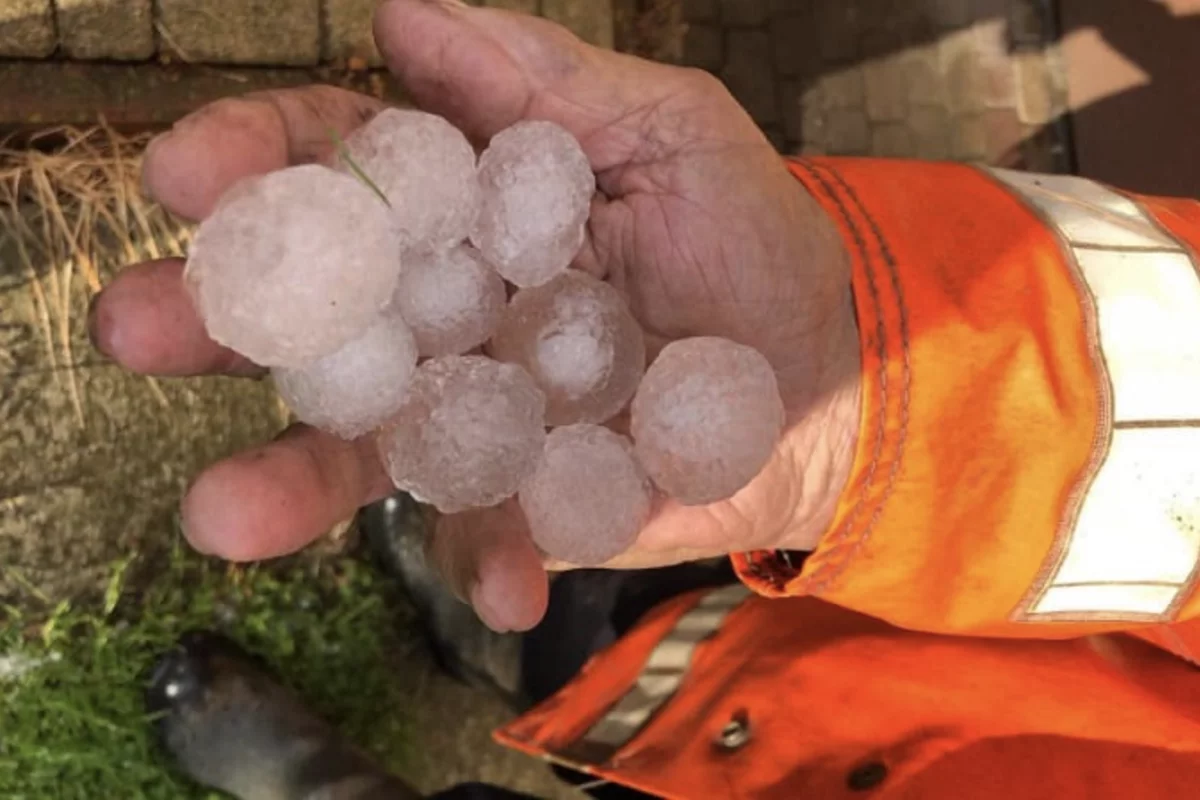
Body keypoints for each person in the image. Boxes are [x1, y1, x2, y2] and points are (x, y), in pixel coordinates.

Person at [93, 0, 1200, 797]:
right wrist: (874, 367)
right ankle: (497, 652)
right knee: (567, 619)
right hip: (819, 675)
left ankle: (323, 781)